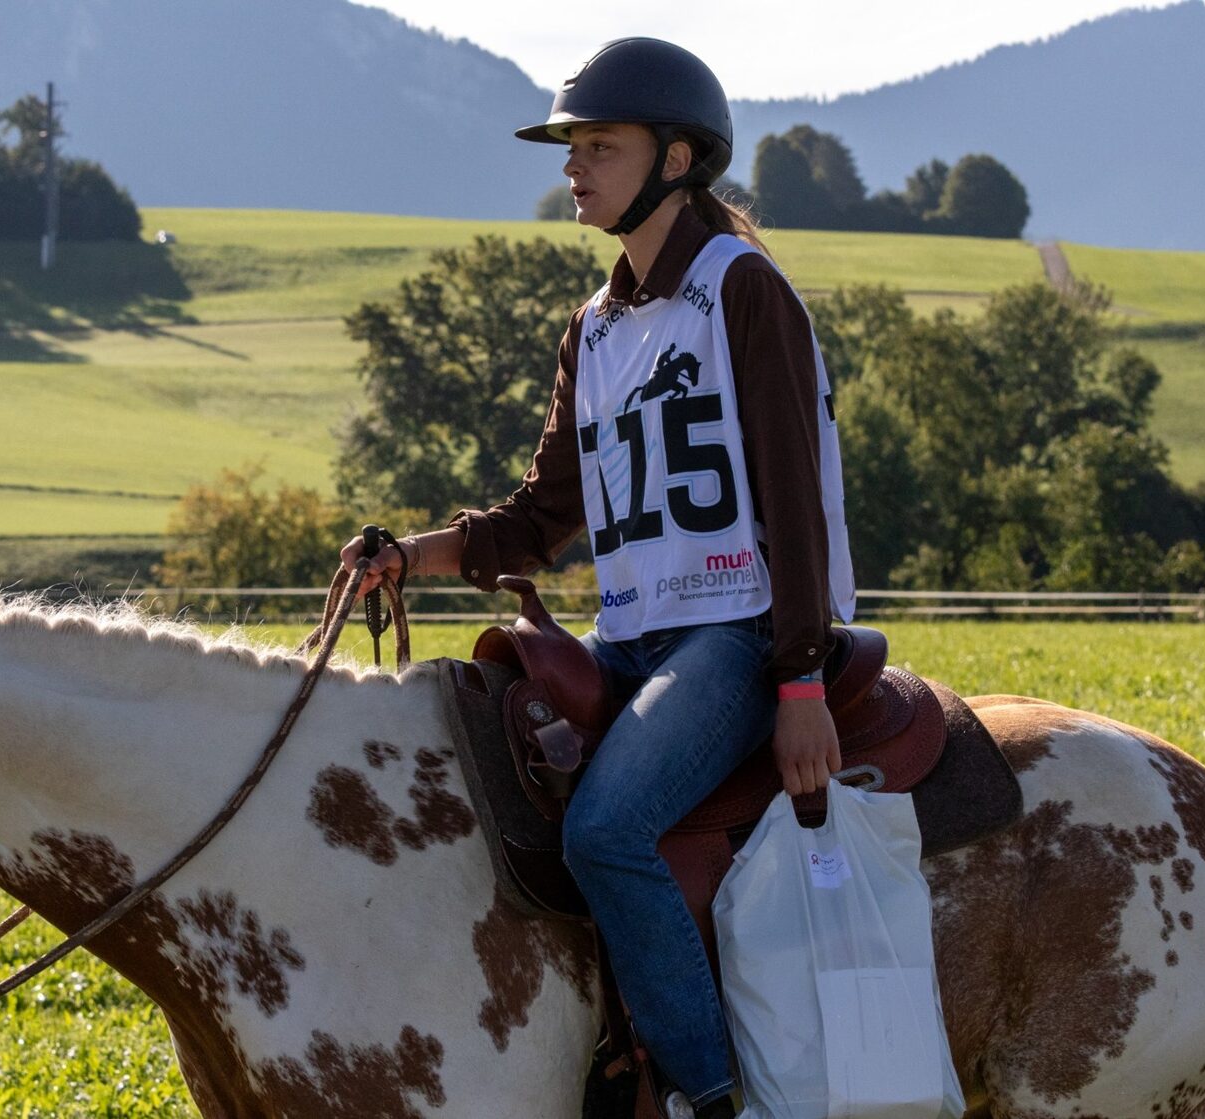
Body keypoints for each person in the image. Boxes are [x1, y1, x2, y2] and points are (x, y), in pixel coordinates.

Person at [341, 37, 855, 1119]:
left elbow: (795, 498)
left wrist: (802, 678)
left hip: (740, 633)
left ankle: (710, 1097)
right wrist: (411, 556)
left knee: (606, 831)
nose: (573, 168)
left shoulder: (743, 290)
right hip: (629, 635)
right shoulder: (595, 328)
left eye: (600, 147)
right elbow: (541, 516)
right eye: (570, 149)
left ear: (677, 157)